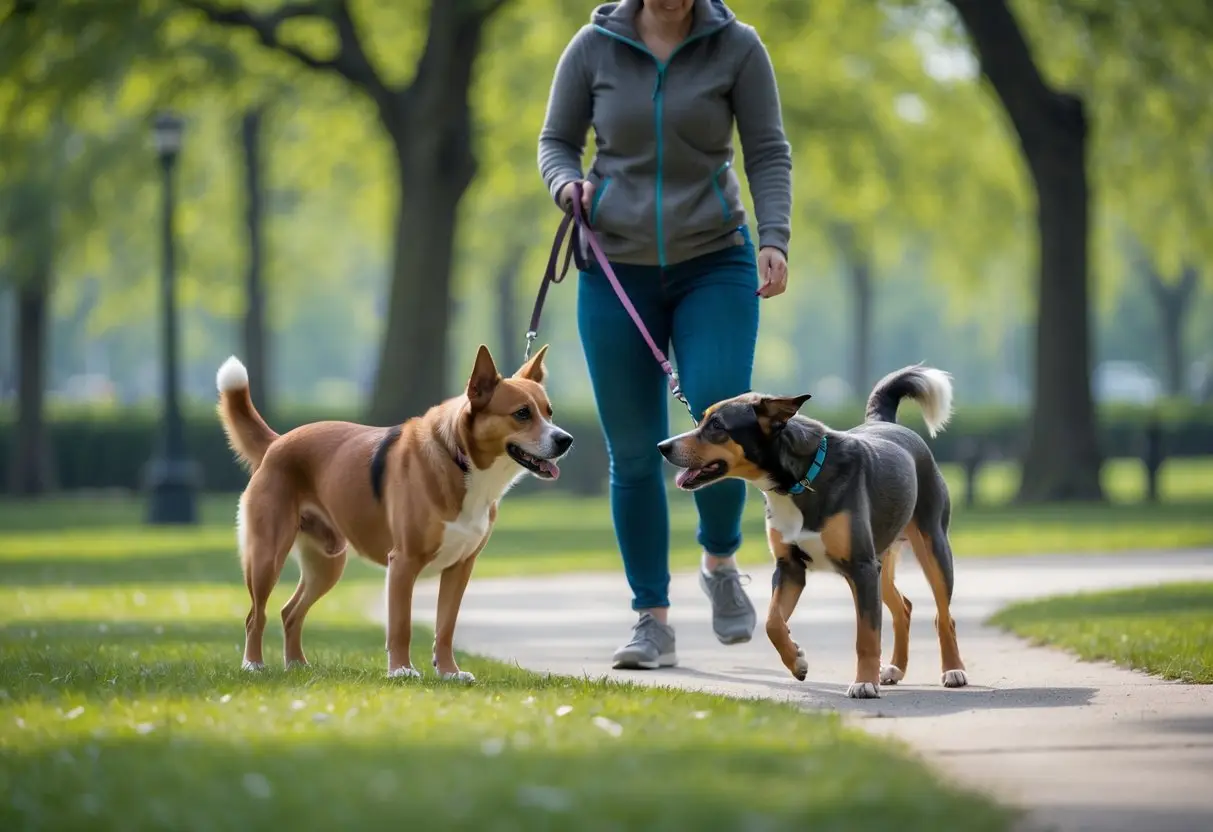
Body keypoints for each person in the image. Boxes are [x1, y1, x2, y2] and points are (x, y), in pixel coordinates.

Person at [537, 0, 793, 669]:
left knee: (721, 410)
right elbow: (555, 143)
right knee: (632, 449)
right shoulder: (592, 46)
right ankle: (650, 619)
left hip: (714, 258)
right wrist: (566, 184)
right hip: (614, 267)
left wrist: (773, 239)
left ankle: (719, 560)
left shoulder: (736, 46)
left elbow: (766, 149)